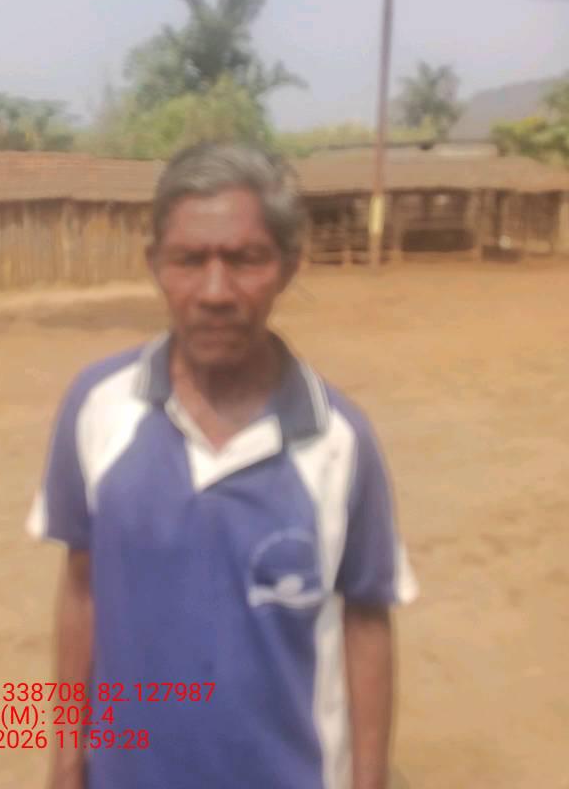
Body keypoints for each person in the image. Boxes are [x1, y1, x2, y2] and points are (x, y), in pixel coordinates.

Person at [27, 142, 418, 789]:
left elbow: (366, 621)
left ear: (288, 267)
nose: (215, 292)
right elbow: (80, 589)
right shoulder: (98, 408)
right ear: (155, 265)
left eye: (245, 260)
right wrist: (67, 765)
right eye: (189, 260)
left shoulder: (339, 442)